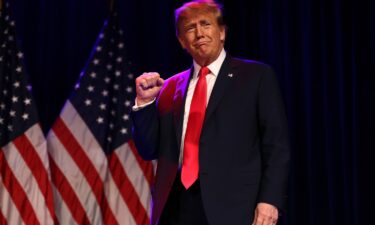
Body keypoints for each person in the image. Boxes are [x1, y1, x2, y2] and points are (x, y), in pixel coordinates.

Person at [131, 0, 290, 225]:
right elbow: (148, 149)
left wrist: (269, 201)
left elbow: (276, 146)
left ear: (222, 32)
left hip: (235, 207)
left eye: (206, 24)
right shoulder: (170, 87)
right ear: (181, 41)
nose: (199, 33)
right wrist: (145, 103)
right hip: (177, 208)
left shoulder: (256, 77)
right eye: (190, 28)